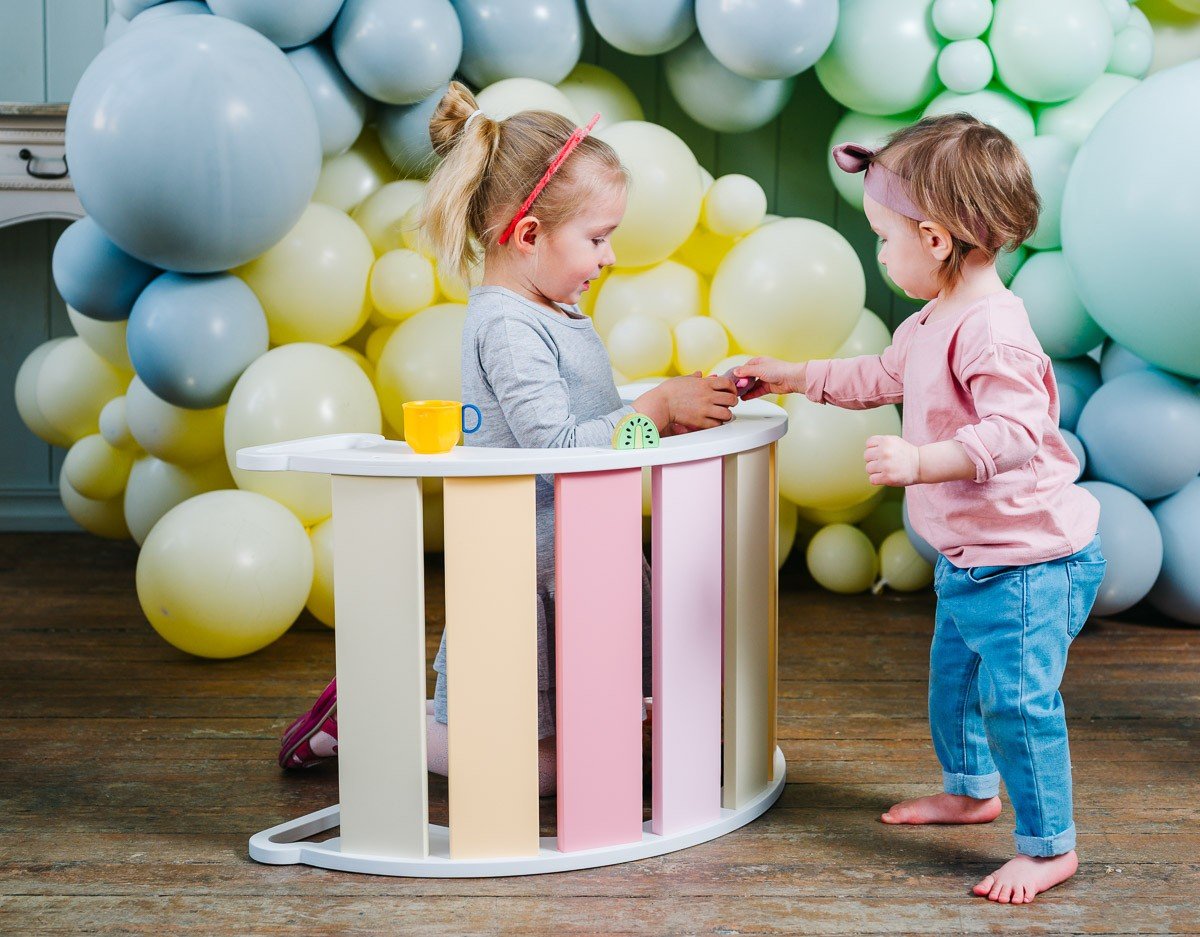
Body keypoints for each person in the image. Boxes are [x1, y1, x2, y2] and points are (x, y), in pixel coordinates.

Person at [280, 81, 738, 795]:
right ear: (528, 235)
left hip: (579, 559)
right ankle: (369, 719)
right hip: (522, 571)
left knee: (609, 740)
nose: (609, 258)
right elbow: (556, 443)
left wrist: (661, 407)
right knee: (534, 767)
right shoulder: (506, 322)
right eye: (597, 238)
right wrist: (652, 406)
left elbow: (587, 411)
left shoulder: (552, 309)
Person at [735, 114, 1105, 904]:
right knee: (954, 687)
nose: (880, 252)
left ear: (935, 240)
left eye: (883, 238)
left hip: (1030, 563)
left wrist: (922, 462)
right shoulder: (930, 321)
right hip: (974, 560)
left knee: (1017, 703)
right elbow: (877, 376)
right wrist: (792, 374)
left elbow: (1015, 433)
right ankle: (972, 791)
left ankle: (1049, 847)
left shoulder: (992, 331)